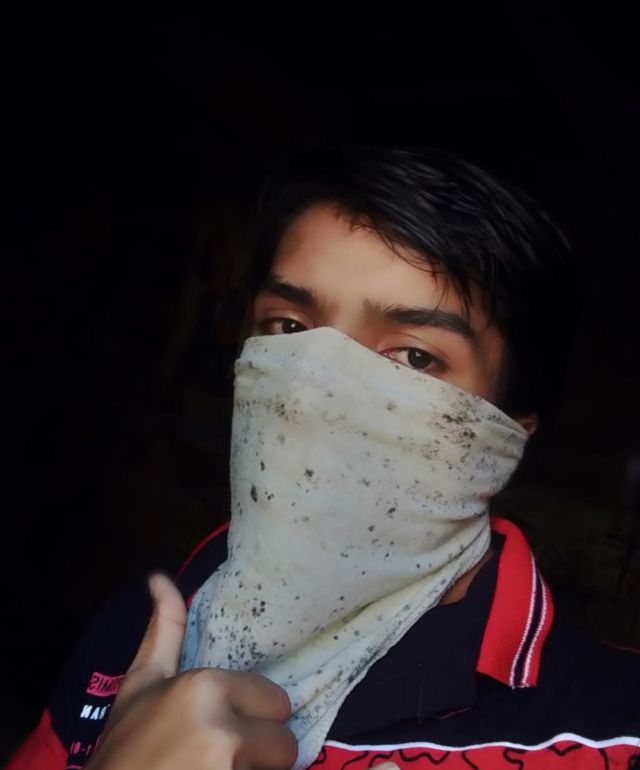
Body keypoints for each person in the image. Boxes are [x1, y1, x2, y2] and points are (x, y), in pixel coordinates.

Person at [8, 146, 640, 770]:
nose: (312, 394)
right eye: (288, 327)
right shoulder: (147, 626)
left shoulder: (607, 734)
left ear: (506, 437)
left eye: (413, 356)